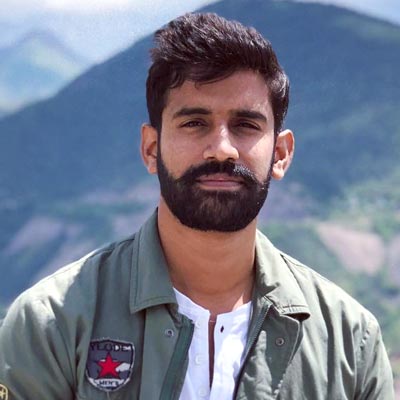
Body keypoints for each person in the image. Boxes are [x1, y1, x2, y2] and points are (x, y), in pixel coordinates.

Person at [0, 12, 394, 400]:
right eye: (194, 123)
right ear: (151, 148)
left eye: (246, 125)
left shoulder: (350, 344)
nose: (221, 148)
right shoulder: (52, 324)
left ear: (280, 154)